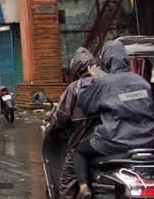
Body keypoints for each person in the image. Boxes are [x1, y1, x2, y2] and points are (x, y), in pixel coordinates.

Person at [74, 41, 154, 199]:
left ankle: (84, 188)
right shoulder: (142, 82)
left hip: (116, 141)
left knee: (79, 152)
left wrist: (96, 79)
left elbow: (85, 104)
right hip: (146, 141)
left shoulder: (104, 83)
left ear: (106, 61)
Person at [49, 47, 97, 199]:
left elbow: (61, 117)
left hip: (81, 143)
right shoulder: (106, 83)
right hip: (107, 142)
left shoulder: (75, 88)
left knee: (67, 183)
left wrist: (51, 122)